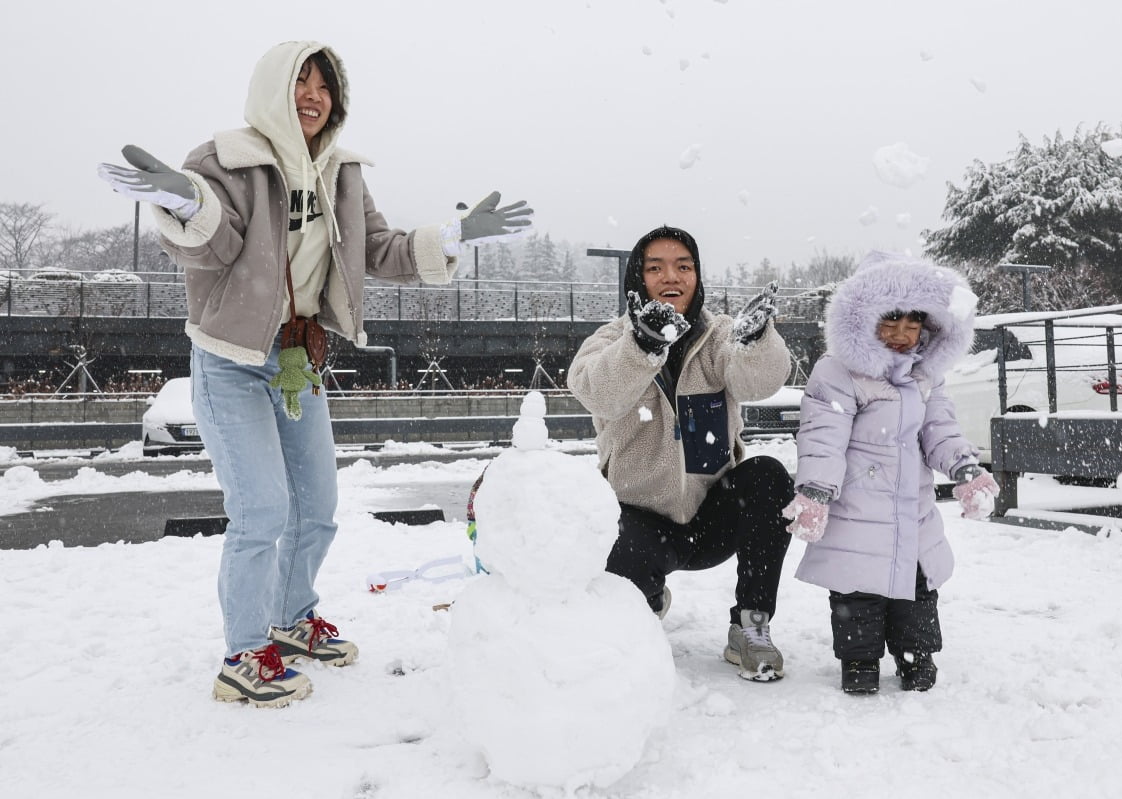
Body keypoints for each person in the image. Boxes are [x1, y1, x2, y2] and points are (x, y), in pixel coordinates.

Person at [97, 41, 532, 707]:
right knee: (261, 507)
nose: (313, 93)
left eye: (325, 83)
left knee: (318, 507)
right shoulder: (226, 159)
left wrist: (450, 237)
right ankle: (243, 655)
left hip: (300, 361)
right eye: (301, 78)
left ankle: (290, 617)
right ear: (274, 87)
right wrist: (185, 201)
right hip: (232, 358)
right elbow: (218, 244)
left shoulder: (344, 170)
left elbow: (376, 249)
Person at [567, 225, 795, 682]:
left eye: (683, 266)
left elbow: (760, 381)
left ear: (696, 275)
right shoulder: (611, 339)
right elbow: (596, 392)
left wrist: (756, 342)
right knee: (611, 537)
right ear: (638, 280)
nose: (671, 276)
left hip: (711, 517)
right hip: (641, 521)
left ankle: (750, 624)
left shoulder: (720, 336)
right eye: (656, 268)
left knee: (768, 475)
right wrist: (643, 346)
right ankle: (644, 601)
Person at [782, 251, 1000, 695]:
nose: (902, 333)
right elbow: (824, 435)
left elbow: (940, 429)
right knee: (857, 592)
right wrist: (816, 490)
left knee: (918, 588)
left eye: (913, 321)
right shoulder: (838, 372)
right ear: (864, 320)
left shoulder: (926, 376)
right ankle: (859, 661)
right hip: (857, 509)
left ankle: (917, 655)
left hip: (910, 511)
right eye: (890, 320)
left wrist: (965, 467)